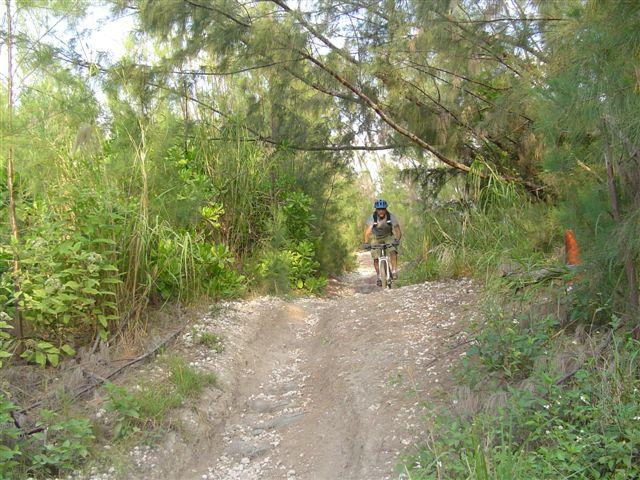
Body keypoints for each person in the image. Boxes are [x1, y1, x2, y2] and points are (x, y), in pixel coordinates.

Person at [363, 199, 402, 286]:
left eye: (383, 209)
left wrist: (397, 240)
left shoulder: (391, 217)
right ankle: (379, 276)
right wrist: (366, 243)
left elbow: (398, 230)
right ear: (376, 210)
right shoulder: (372, 218)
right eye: (379, 209)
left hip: (388, 236)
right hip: (376, 237)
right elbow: (367, 231)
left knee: (393, 250)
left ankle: (394, 271)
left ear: (385, 209)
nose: (381, 211)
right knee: (375, 256)